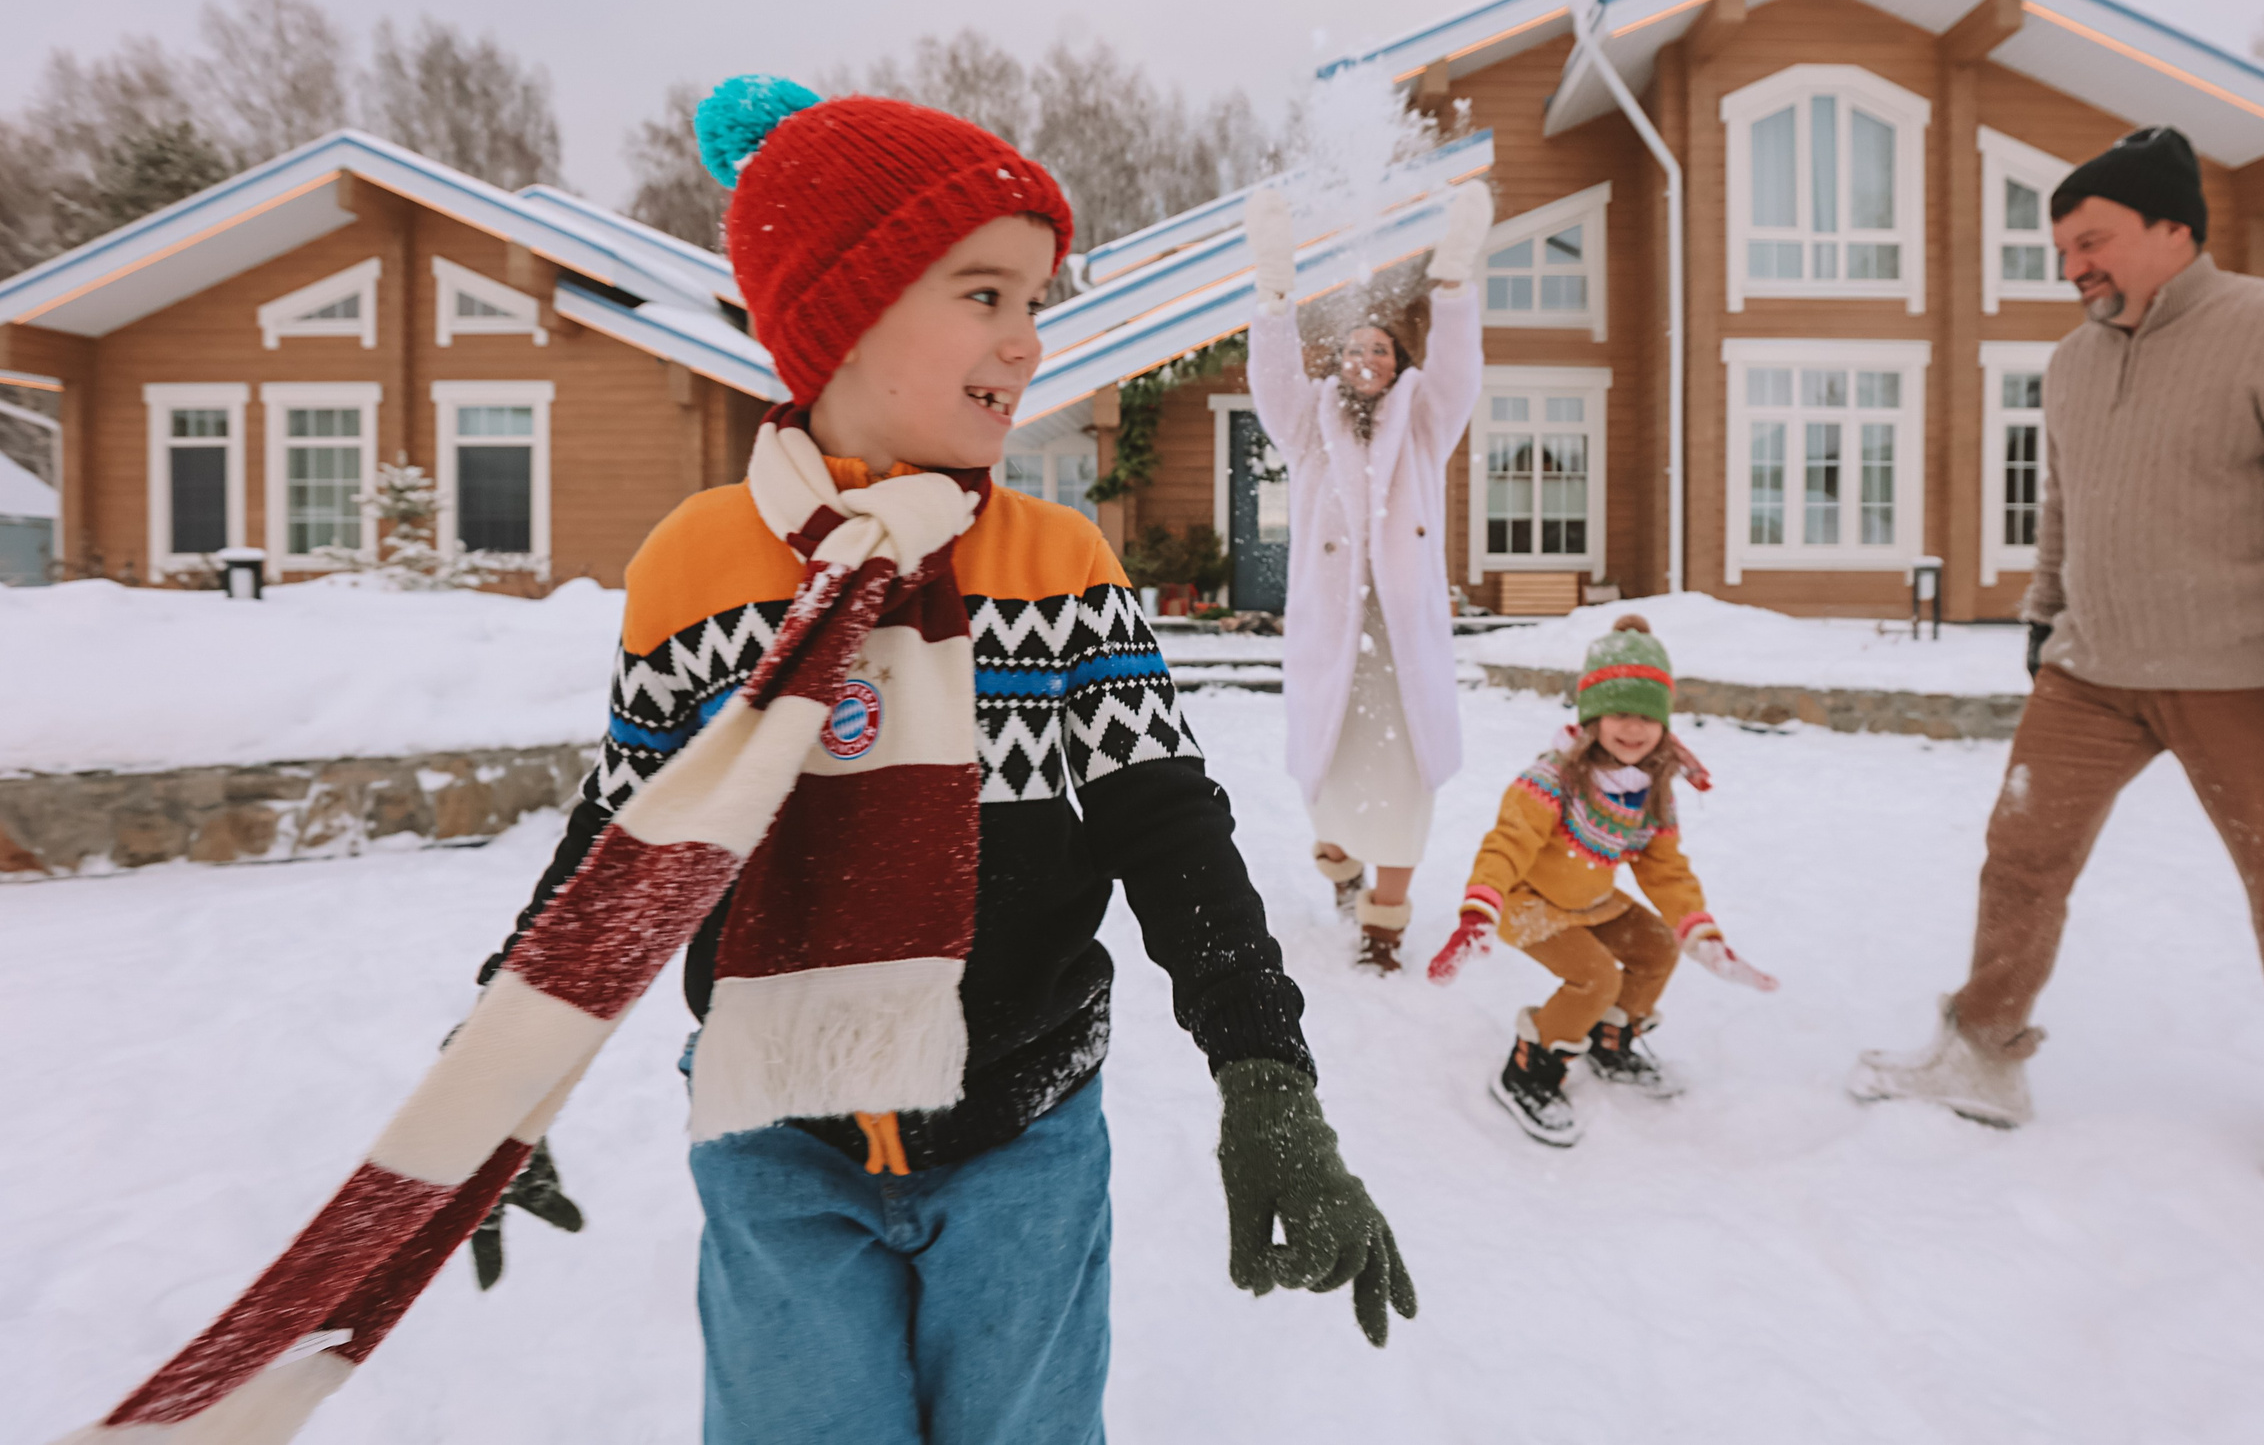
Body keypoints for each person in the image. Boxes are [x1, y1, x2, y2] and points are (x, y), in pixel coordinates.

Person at [54, 80, 1412, 1445]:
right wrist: (501, 1063)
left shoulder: (1057, 566)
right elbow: (624, 839)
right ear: (848, 309)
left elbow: (1170, 830)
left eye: (1036, 299)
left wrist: (1265, 1073)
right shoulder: (700, 570)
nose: (1029, 338)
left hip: (1023, 1139)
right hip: (777, 1147)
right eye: (986, 293)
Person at [1850, 125, 2264, 1195]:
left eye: (2092, 241)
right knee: (2020, 856)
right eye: (2063, 250)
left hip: (2242, 669)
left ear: (2173, 229)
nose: (2074, 268)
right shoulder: (2073, 359)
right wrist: (2042, 611)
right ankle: (1983, 1046)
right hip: (2092, 669)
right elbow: (2065, 501)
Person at [1244, 179, 1491, 974]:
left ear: (1396, 364)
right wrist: (1275, 295)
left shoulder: (1423, 427)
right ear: (1340, 362)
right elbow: (1274, 384)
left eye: (1380, 348)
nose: (1366, 357)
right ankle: (1343, 870)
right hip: (1334, 637)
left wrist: (1451, 288)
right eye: (1355, 347)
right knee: (1330, 775)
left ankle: (1383, 927)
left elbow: (1457, 375)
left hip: (1402, 640)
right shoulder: (1310, 431)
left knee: (1405, 777)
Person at [1427, 615, 1777, 1146]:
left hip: (1588, 897)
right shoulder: (1552, 779)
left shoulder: (1651, 789)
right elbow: (1508, 844)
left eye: (1646, 716)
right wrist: (1480, 911)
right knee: (1595, 977)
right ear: (1592, 716)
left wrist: (1702, 935)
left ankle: (1610, 1040)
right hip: (1526, 901)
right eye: (1618, 712)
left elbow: (1663, 868)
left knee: (1658, 948)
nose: (1633, 728)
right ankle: (1530, 1068)